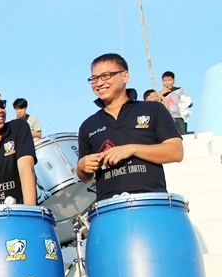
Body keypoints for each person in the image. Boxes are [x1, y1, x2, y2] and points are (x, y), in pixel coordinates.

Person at [76, 54, 183, 202]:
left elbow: (176, 152)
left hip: (151, 202)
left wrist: (131, 149)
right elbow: (85, 177)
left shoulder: (153, 109)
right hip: (109, 207)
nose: (99, 83)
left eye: (105, 76)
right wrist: (81, 167)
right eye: (94, 79)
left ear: (125, 76)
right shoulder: (88, 126)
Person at [158, 71, 194, 135]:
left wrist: (187, 103)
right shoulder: (158, 94)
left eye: (169, 80)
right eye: (165, 80)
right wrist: (161, 93)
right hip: (166, 118)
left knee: (182, 135)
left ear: (174, 81)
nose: (167, 82)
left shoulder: (180, 90)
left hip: (179, 117)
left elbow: (189, 102)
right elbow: (156, 105)